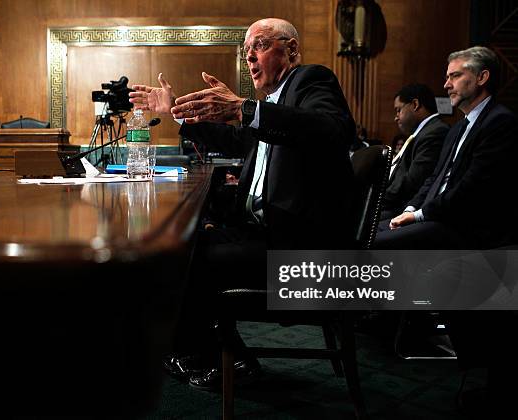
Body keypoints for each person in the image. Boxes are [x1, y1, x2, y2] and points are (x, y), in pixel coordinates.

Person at [129, 18, 356, 389]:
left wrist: (245, 109)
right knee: (175, 244)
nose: (250, 56)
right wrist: (178, 113)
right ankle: (217, 352)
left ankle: (218, 358)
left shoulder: (312, 80)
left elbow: (333, 129)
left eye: (261, 46)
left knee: (185, 257)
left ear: (292, 50)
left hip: (299, 249)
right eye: (246, 50)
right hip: (267, 234)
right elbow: (237, 141)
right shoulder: (272, 106)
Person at [375, 46, 518, 250]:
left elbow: (471, 187)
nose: (446, 85)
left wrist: (418, 215)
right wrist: (410, 208)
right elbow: (435, 178)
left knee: (371, 244)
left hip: (464, 225)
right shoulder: (458, 127)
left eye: (455, 76)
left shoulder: (500, 122)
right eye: (447, 77)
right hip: (434, 216)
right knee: (363, 233)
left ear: (482, 77)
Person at [381, 83, 449, 220]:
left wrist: (377, 200)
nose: (396, 117)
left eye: (398, 110)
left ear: (415, 104)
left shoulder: (435, 132)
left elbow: (412, 182)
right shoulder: (421, 133)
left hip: (404, 208)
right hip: (393, 202)